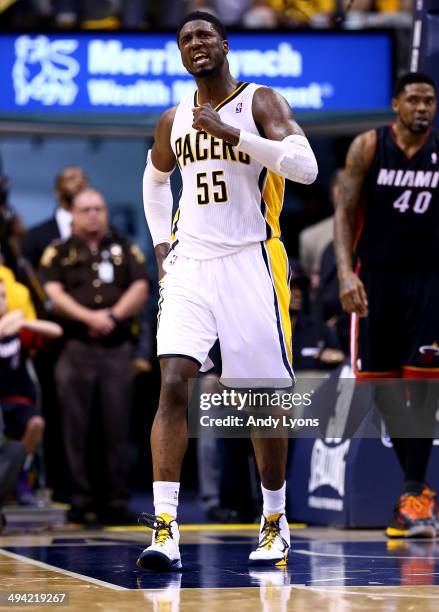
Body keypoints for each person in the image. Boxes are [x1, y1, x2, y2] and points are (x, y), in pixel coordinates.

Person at [138, 10, 317, 571]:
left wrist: (234, 135)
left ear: (224, 44)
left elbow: (306, 167)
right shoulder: (174, 119)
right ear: (180, 53)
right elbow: (155, 178)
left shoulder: (261, 102)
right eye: (186, 38)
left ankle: (273, 520)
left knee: (261, 401)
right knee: (173, 383)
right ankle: (165, 528)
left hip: (252, 258)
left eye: (205, 35)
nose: (196, 44)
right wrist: (162, 251)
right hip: (191, 261)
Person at [334, 72, 439, 539]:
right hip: (375, 278)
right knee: (383, 389)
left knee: (425, 389)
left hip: (430, 280)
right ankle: (415, 494)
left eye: (430, 100)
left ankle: (414, 495)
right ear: (396, 103)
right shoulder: (368, 146)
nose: (422, 107)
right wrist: (344, 272)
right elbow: (343, 212)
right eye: (414, 99)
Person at [40, 188, 149, 524]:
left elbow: (141, 286)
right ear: (72, 214)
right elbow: (52, 292)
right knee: (75, 427)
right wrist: (89, 318)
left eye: (99, 209)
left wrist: (113, 317)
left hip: (116, 349)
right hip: (75, 348)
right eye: (86, 209)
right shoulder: (58, 252)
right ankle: (79, 499)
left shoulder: (124, 247)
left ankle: (114, 499)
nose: (93, 215)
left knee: (116, 426)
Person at [0, 279, 63, 504]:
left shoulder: (17, 330)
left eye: (3, 296)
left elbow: (56, 330)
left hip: (16, 398)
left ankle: (20, 475)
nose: (1, 301)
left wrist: (25, 323)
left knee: (36, 423)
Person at [22, 166, 88, 269]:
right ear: (57, 191)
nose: (79, 182)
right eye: (71, 178)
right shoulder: (35, 237)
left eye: (83, 178)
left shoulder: (105, 235)